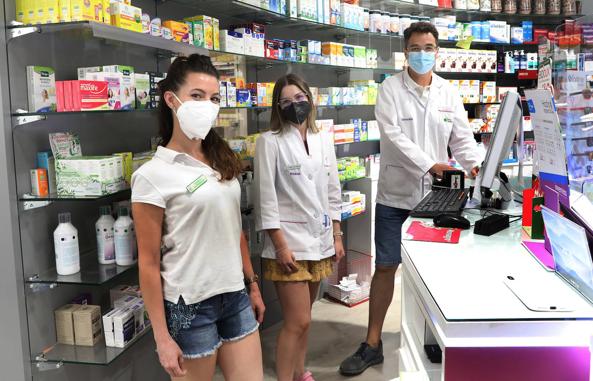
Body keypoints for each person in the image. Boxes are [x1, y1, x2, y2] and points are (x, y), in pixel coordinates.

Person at [339, 22, 482, 376]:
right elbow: (393, 139)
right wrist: (431, 164)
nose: (422, 53)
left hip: (437, 199)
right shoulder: (389, 89)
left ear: (437, 51)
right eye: (416, 47)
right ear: (406, 52)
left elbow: (462, 139)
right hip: (396, 195)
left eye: (429, 46)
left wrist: (479, 167)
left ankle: (432, 336)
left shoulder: (448, 93)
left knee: (435, 270)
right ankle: (372, 344)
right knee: (386, 266)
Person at [131, 54, 265, 381]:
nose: (207, 105)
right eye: (197, 96)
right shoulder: (152, 175)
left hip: (234, 295)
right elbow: (148, 263)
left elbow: (235, 230)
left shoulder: (221, 159)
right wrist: (162, 337)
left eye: (214, 98)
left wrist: (253, 285)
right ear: (171, 100)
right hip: (189, 306)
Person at [255, 74, 345, 381]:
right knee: (296, 321)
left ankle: (298, 372)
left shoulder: (323, 138)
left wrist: (336, 234)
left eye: (300, 98)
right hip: (289, 244)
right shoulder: (269, 142)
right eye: (287, 101)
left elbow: (333, 190)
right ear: (278, 108)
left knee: (306, 321)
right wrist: (280, 245)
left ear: (310, 99)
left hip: (320, 240)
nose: (295, 105)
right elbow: (266, 198)